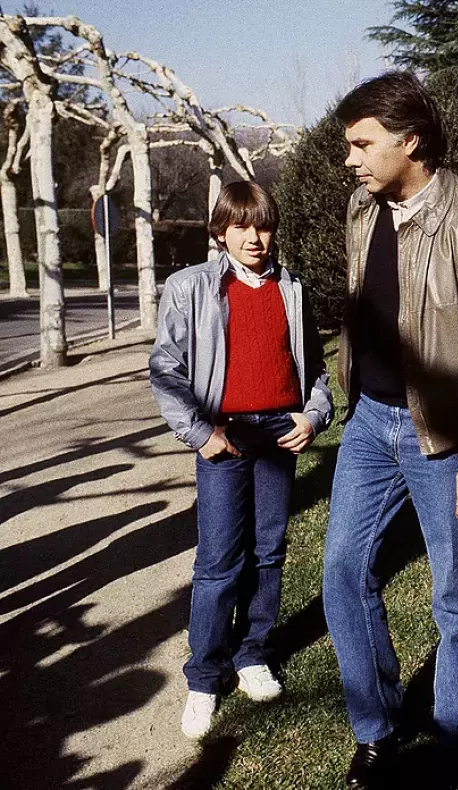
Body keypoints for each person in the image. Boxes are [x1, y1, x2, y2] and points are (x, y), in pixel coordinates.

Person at [323, 71, 458, 789]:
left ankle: (455, 733)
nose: (350, 159)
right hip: (368, 425)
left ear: (409, 142)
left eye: (362, 144)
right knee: (343, 574)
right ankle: (377, 728)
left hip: (444, 438)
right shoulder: (361, 207)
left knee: (456, 593)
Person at [150, 181, 333, 740]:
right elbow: (166, 367)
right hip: (224, 437)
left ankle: (252, 652)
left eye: (263, 226)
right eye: (241, 227)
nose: (254, 238)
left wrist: (314, 415)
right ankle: (204, 676)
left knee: (269, 550)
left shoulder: (292, 288)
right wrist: (200, 434)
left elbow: (316, 368)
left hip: (279, 432)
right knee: (219, 561)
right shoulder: (192, 287)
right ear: (221, 231)